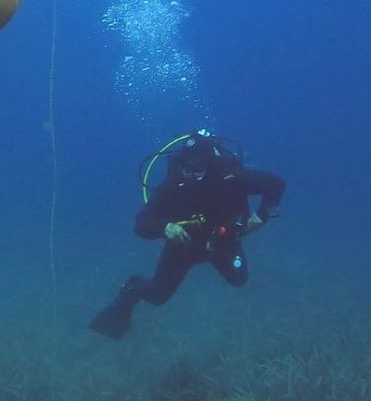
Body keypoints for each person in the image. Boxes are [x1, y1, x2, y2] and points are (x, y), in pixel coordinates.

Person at [89, 129, 286, 340]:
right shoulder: (172, 187)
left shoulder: (231, 179)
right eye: (185, 164)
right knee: (158, 296)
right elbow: (141, 223)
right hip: (183, 247)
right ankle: (131, 288)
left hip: (223, 243)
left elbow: (275, 185)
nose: (190, 170)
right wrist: (165, 227)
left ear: (209, 162)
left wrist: (261, 215)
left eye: (197, 164)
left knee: (239, 279)